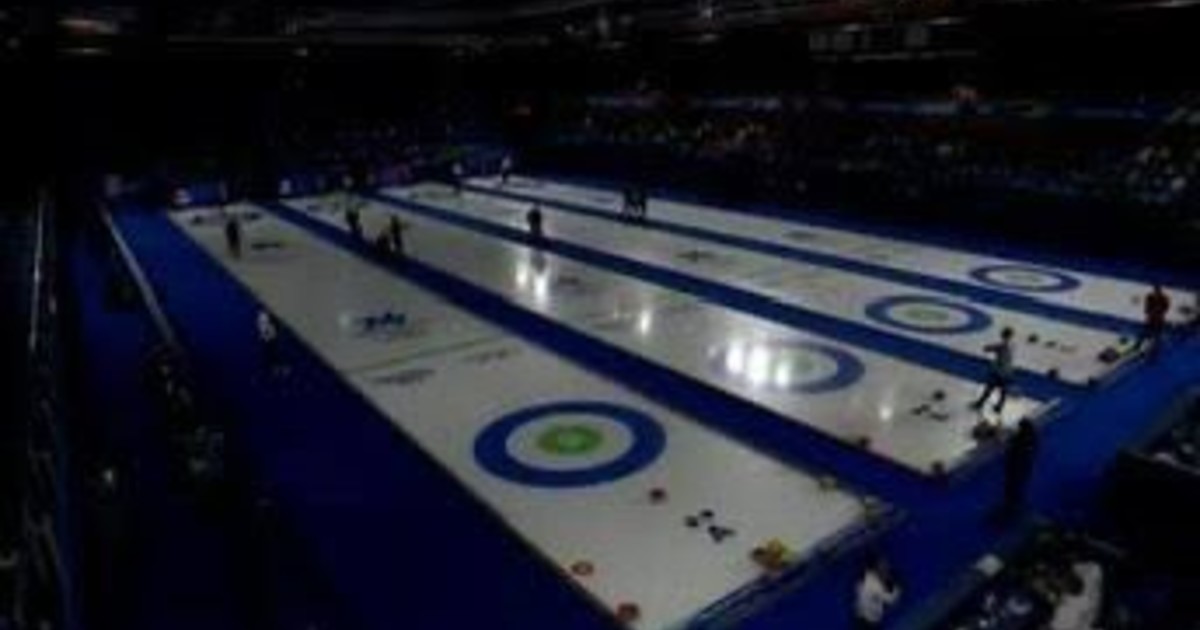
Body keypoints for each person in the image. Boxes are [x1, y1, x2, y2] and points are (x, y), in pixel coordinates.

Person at [997, 418, 1039, 520]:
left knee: (1012, 487)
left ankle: (1010, 511)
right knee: (1014, 488)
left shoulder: (1023, 438)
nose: (1018, 429)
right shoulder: (1030, 438)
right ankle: (1012, 508)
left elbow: (1010, 443)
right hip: (1021, 467)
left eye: (1020, 427)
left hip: (1017, 466)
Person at [973, 327, 1016, 414]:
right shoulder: (1012, 345)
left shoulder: (1002, 345)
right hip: (1008, 371)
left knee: (990, 387)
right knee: (1003, 390)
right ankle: (999, 407)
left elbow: (987, 348)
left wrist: (987, 347)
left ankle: (980, 403)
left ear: (1003, 335)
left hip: (999, 371)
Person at [854, 555, 901, 629]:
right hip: (868, 623)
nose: (886, 568)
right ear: (875, 567)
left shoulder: (868, 576)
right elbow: (890, 599)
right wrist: (897, 588)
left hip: (863, 618)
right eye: (882, 565)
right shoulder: (872, 583)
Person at [1135, 284, 1171, 354]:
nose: (1156, 292)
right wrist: (1148, 313)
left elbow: (1166, 307)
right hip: (1151, 317)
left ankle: (1153, 348)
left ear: (1160, 291)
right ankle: (1138, 345)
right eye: (1155, 291)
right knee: (1145, 332)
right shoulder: (1150, 297)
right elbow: (1146, 306)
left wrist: (1159, 312)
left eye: (1158, 291)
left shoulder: (1164, 298)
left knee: (1157, 334)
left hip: (1159, 319)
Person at [257, 309, 286, 377]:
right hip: (269, 337)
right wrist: (265, 335)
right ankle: (272, 369)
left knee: (273, 351)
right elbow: (263, 327)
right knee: (270, 352)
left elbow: (275, 327)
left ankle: (274, 368)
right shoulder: (263, 317)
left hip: (271, 336)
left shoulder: (266, 317)